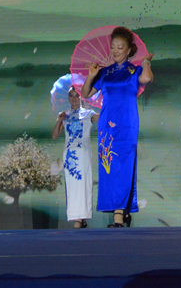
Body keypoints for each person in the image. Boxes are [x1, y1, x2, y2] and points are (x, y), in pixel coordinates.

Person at [81, 27, 154, 228]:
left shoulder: (134, 71)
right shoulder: (104, 72)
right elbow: (86, 94)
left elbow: (147, 78)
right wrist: (91, 75)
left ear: (129, 50)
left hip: (127, 123)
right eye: (113, 47)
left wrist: (146, 62)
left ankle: (119, 214)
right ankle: (120, 212)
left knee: (125, 164)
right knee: (109, 166)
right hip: (107, 124)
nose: (115, 51)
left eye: (120, 47)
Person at [52, 86, 99, 228]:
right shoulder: (65, 115)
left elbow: (105, 119)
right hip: (69, 155)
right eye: (71, 96)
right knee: (72, 185)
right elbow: (55, 136)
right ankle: (76, 216)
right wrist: (59, 120)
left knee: (84, 183)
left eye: (76, 95)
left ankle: (82, 217)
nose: (74, 99)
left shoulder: (88, 114)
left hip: (83, 153)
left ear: (81, 97)